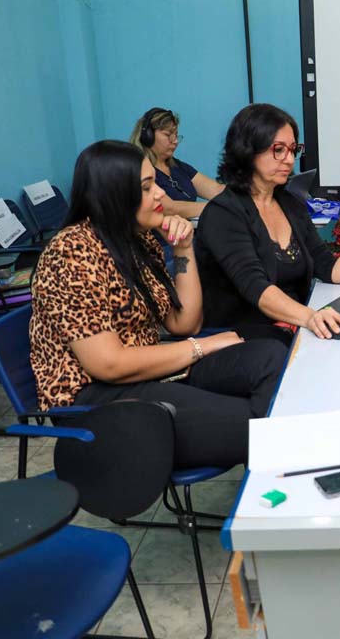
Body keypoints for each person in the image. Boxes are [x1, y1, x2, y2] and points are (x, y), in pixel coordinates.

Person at [29, 140, 287, 469]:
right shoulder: (72, 251)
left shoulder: (136, 237)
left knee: (270, 356)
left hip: (150, 373)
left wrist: (183, 250)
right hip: (97, 400)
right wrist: (200, 346)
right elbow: (108, 364)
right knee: (260, 426)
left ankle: (268, 451)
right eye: (147, 187)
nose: (161, 195)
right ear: (114, 195)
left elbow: (184, 323)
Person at [195, 104, 340, 342]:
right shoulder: (223, 214)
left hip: (290, 326)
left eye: (292, 149)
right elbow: (257, 289)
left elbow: (327, 266)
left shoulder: (290, 204)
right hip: (238, 337)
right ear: (247, 150)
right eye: (278, 150)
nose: (289, 159)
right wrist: (309, 317)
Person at [129, 108, 225, 218]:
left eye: (176, 135)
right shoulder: (142, 171)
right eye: (168, 135)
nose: (175, 141)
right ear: (148, 137)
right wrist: (220, 207)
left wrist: (243, 193)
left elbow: (216, 189)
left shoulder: (178, 166)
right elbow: (170, 208)